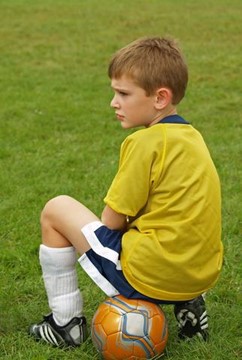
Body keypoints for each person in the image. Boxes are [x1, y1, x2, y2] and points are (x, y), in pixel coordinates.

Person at [29, 36, 223, 347]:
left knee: (56, 209)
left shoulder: (143, 142)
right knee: (177, 224)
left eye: (123, 93)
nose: (114, 102)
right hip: (199, 274)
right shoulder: (194, 138)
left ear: (159, 98)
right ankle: (189, 306)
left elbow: (112, 221)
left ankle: (64, 325)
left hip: (148, 276)